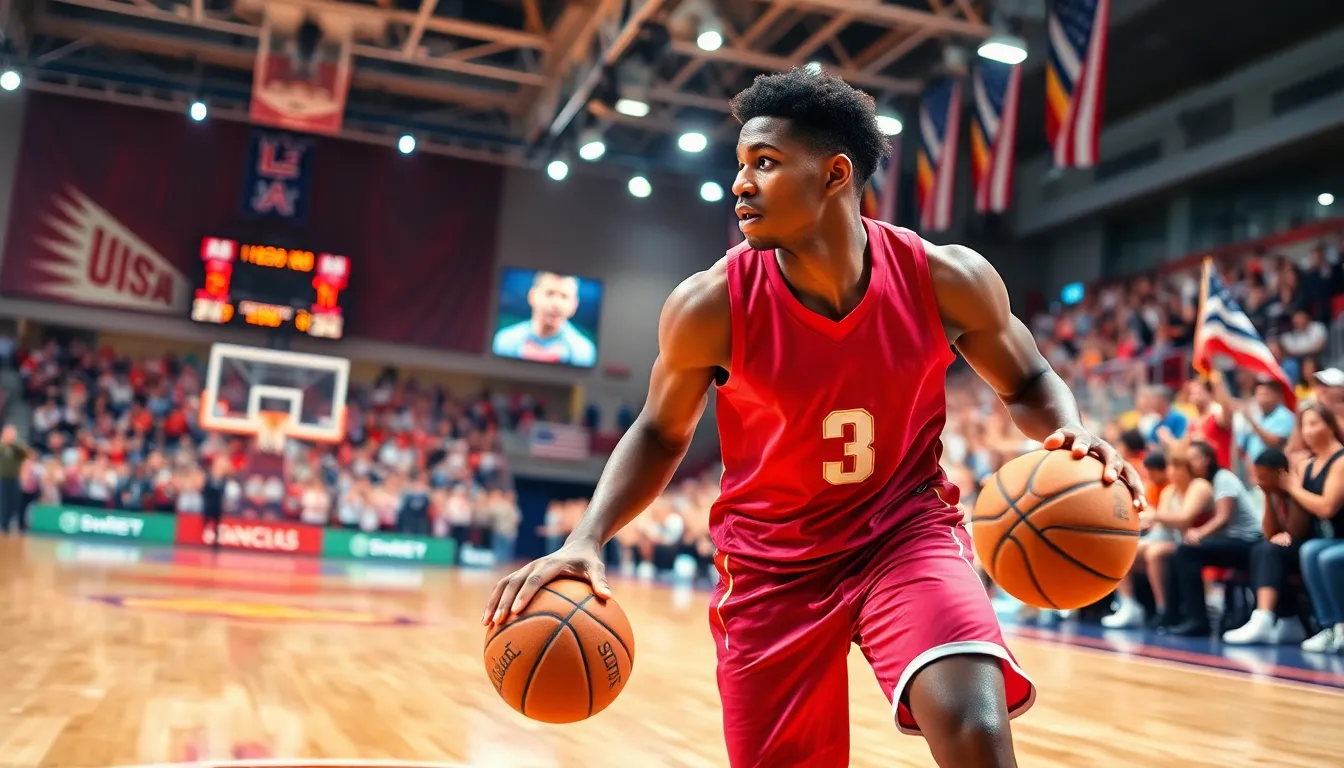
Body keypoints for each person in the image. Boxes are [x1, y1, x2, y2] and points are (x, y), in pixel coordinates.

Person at [482, 69, 1146, 768]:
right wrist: (588, 537)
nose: (740, 184)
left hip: (903, 533)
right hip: (771, 567)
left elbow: (1031, 376)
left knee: (975, 729)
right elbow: (659, 430)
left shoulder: (947, 277)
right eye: (740, 165)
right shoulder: (709, 305)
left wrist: (1070, 429)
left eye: (763, 163)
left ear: (834, 175)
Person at [1161, 441, 1265, 637]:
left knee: (1186, 552)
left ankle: (1197, 620)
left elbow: (1223, 518)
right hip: (1231, 540)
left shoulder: (1223, 478)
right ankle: (1179, 614)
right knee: (1182, 552)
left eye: (1193, 459)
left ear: (1206, 459)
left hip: (1248, 541)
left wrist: (1200, 533)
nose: (1190, 464)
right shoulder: (1207, 482)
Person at [1220, 447, 1312, 645]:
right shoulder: (1271, 493)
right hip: (1290, 548)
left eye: (1263, 476)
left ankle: (1263, 617)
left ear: (1280, 473)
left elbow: (1297, 531)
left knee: (1267, 551)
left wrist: (1290, 491)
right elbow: (1270, 533)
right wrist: (1268, 496)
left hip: (1308, 544)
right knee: (1262, 548)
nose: (1258, 481)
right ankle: (1289, 620)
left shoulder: (1296, 489)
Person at [1278, 403, 1344, 652]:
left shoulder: (1340, 461)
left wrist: (1294, 489)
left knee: (1327, 558)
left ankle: (1342, 624)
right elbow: (1302, 516)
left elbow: (1327, 508)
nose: (1308, 430)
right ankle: (1328, 626)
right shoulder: (1307, 465)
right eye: (1305, 425)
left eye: (1315, 423)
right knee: (1309, 550)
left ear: (1330, 425)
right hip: (1329, 538)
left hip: (1339, 539)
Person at [491, 271, 597, 366]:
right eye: (549, 293)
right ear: (532, 296)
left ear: (574, 305)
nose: (556, 304)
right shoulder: (503, 341)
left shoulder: (585, 353)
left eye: (564, 296)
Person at [0, 424, 32, 533]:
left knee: (14, 502)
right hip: (2, 478)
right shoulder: (2, 447)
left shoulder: (16, 447)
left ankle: (9, 523)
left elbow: (27, 453)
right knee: (3, 502)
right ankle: (3, 525)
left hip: (14, 478)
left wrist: (14, 442)